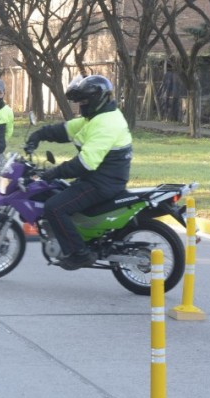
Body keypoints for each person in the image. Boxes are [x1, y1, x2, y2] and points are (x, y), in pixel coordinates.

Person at [24, 75, 133, 270]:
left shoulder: (106, 123)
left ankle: (80, 254)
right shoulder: (98, 117)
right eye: (79, 101)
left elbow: (85, 163)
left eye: (84, 101)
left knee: (54, 207)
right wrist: (39, 135)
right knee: (57, 192)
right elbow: (66, 129)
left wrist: (53, 172)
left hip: (100, 183)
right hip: (99, 178)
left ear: (97, 99)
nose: (81, 105)